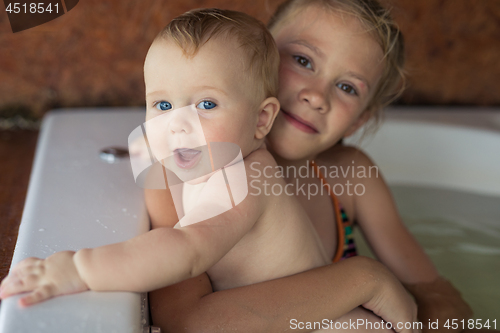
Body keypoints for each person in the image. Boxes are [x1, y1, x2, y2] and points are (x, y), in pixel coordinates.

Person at [0, 8, 418, 333]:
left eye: (206, 104)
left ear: (261, 117)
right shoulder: (211, 161)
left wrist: (79, 269)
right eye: (163, 106)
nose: (178, 124)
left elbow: (187, 251)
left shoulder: (248, 177)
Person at [147, 1, 473, 332]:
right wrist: (366, 279)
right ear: (256, 53)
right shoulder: (180, 173)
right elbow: (184, 321)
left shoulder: (349, 176)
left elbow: (436, 293)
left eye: (347, 87)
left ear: (358, 121)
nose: (317, 96)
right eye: (302, 60)